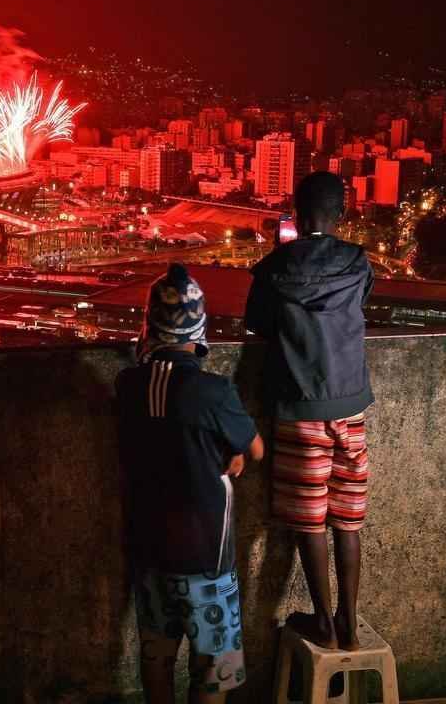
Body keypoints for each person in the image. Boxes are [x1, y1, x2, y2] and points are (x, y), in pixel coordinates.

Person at [117, 262, 265, 703]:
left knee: (157, 656)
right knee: (211, 668)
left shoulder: (128, 385)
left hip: (148, 549)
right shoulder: (213, 392)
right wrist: (233, 453)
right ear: (199, 331)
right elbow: (255, 449)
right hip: (205, 556)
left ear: (150, 328)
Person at [244, 171, 374, 651]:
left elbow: (257, 323)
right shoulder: (358, 263)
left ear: (297, 214)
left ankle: (322, 621)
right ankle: (351, 622)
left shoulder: (275, 268)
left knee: (309, 517)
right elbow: (360, 303)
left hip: (299, 406)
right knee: (347, 517)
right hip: (352, 405)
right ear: (342, 213)